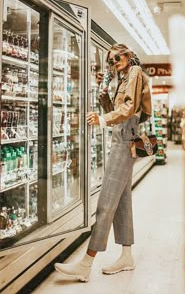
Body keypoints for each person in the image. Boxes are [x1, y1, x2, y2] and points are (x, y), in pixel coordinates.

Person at [54, 43, 152, 282]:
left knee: (106, 203)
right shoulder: (121, 78)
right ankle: (126, 256)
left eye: (117, 58)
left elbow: (128, 108)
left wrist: (102, 117)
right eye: (110, 61)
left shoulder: (135, 73)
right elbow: (115, 110)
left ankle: (86, 263)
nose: (113, 62)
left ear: (128, 56)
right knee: (122, 202)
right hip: (122, 137)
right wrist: (105, 92)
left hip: (125, 139)